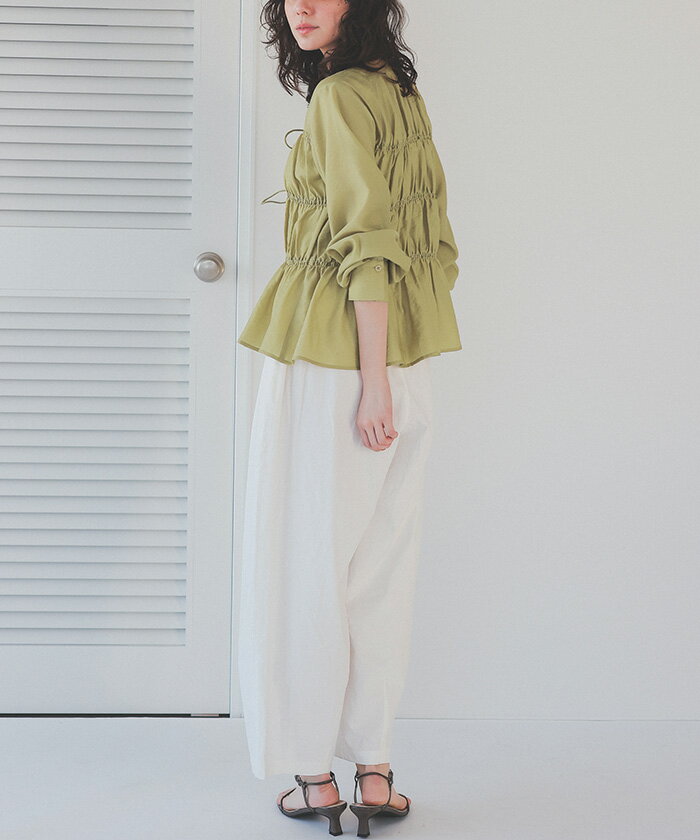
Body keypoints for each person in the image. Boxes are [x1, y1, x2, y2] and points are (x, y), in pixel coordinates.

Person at [236, 0, 462, 834]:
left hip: (338, 363)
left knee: (305, 565)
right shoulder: (398, 89)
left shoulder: (336, 98)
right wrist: (390, 375)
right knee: (378, 570)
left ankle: (314, 778)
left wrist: (369, 383)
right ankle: (374, 770)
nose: (301, 6)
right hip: (406, 354)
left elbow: (367, 239)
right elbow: (430, 240)